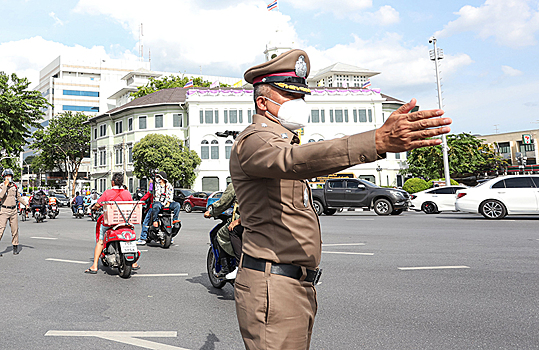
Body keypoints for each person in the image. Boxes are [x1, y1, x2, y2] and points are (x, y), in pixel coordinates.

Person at [229, 49, 452, 349]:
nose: (300, 104)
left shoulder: (279, 140)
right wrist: (375, 141)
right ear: (262, 102)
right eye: (290, 96)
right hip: (274, 285)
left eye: (301, 97)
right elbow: (294, 160)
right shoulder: (255, 140)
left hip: (293, 285)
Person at [85, 173, 139, 274]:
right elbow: (131, 205)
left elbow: (98, 204)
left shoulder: (107, 193)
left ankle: (94, 266)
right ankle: (134, 263)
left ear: (112, 182)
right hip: (125, 222)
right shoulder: (127, 193)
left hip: (110, 222)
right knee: (131, 237)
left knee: (101, 240)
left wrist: (94, 207)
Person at [204, 182, 243, 280]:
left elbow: (223, 203)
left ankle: (227, 267)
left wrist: (211, 212)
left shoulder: (237, 184)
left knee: (221, 234)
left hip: (243, 219)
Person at [0, 169, 28, 255]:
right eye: (7, 176)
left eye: (10, 176)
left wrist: (25, 204)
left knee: (15, 230)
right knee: (1, 229)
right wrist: (5, 185)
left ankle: (15, 246)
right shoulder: (1, 186)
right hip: (4, 210)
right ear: (4, 177)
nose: (8, 178)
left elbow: (18, 197)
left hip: (13, 210)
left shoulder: (14, 186)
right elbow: (1, 196)